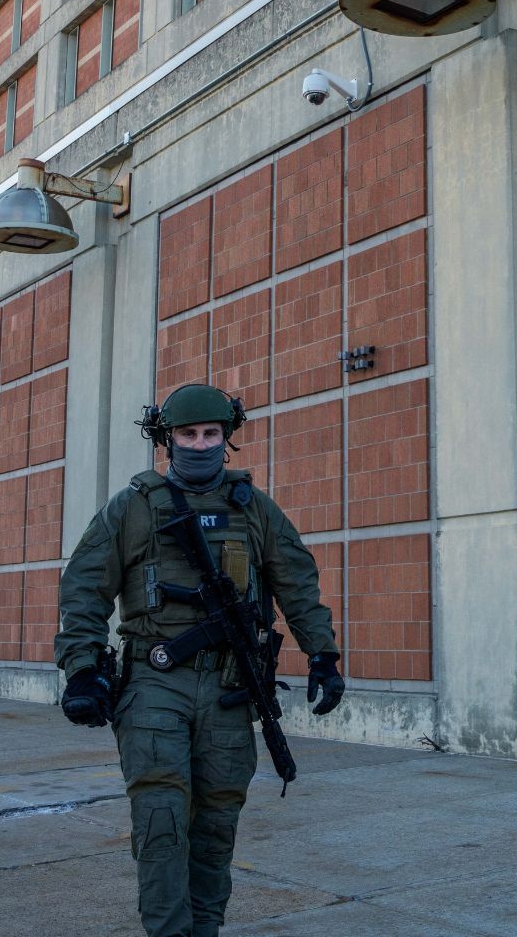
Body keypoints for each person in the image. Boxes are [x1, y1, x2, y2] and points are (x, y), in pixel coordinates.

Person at [56, 383, 345, 937]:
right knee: (161, 820)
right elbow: (85, 588)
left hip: (230, 690)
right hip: (153, 684)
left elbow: (297, 582)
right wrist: (83, 667)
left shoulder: (253, 509)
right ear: (167, 440)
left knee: (215, 826)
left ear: (227, 438)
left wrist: (323, 655)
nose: (200, 445)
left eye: (211, 434)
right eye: (187, 435)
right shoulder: (134, 508)